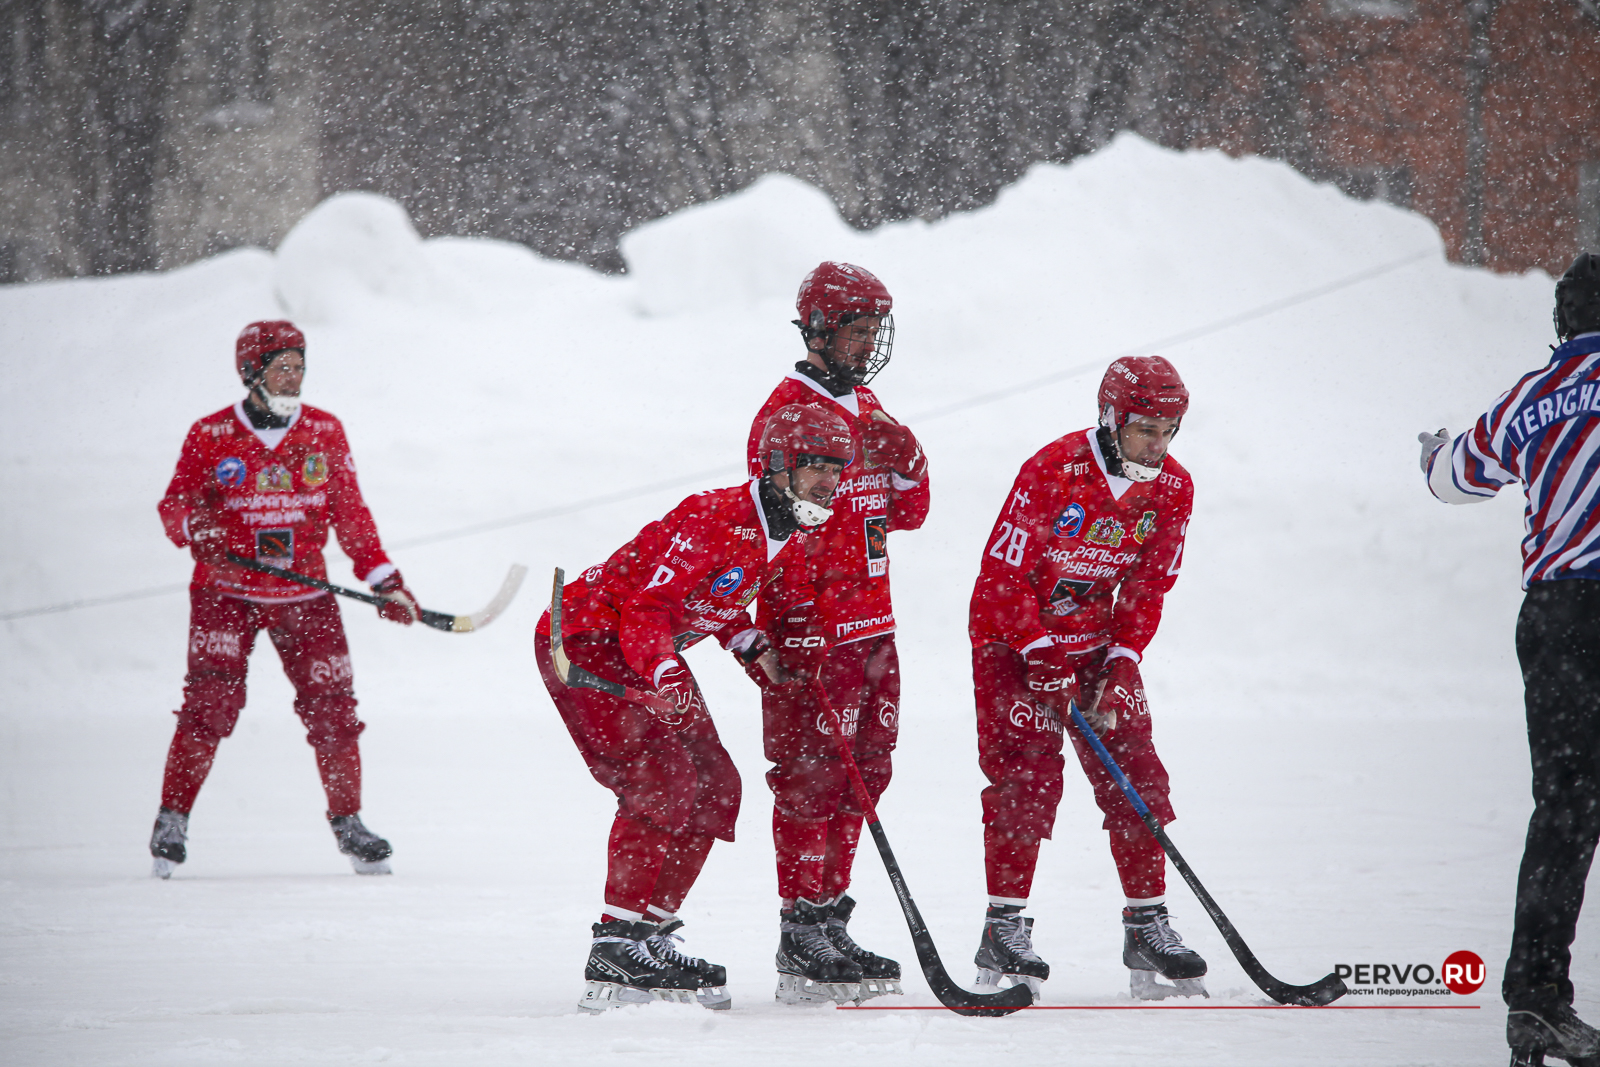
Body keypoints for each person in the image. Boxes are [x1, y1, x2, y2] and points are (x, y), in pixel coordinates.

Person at [536, 404, 853, 1013]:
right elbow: (648, 608)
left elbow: (717, 593)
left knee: (717, 787)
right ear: (779, 467)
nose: (828, 484)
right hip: (588, 643)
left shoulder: (783, 529)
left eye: (836, 472)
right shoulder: (715, 515)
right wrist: (660, 671)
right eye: (816, 468)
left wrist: (748, 643)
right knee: (664, 781)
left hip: (642, 649)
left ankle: (651, 934)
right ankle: (616, 941)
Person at [967, 355, 1202, 1002]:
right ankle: (1003, 925)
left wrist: (1124, 658)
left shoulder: (1173, 489)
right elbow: (1000, 578)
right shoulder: (1052, 469)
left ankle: (1147, 921)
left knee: (1139, 777)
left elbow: (1149, 583)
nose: (1159, 446)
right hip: (1012, 641)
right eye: (1146, 430)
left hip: (1096, 645)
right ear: (1111, 418)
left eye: (1170, 431)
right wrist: (1039, 648)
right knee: (1027, 779)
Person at [150, 320, 418, 878]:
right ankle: (171, 819)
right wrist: (198, 528)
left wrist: (385, 582)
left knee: (335, 710)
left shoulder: (325, 431)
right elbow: (174, 506)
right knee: (209, 708)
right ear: (251, 372)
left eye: (299, 365)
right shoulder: (210, 435)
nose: (293, 376)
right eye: (281, 366)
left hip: (306, 596)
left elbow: (352, 516)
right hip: (225, 594)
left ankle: (350, 823)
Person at [1418, 252, 1600, 1067]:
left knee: (1563, 807)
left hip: (1555, 616)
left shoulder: (1531, 395)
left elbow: (1454, 479)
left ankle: (1535, 1001)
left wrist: (1432, 453)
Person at [743, 261, 930, 1005]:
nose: (870, 343)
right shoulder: (784, 414)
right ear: (820, 330)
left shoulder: (872, 404)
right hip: (814, 633)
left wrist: (909, 456)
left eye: (876, 329)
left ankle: (831, 911)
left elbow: (908, 514)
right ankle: (799, 926)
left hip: (875, 627)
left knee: (866, 772)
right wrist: (792, 625)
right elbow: (775, 530)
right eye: (859, 329)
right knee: (809, 777)